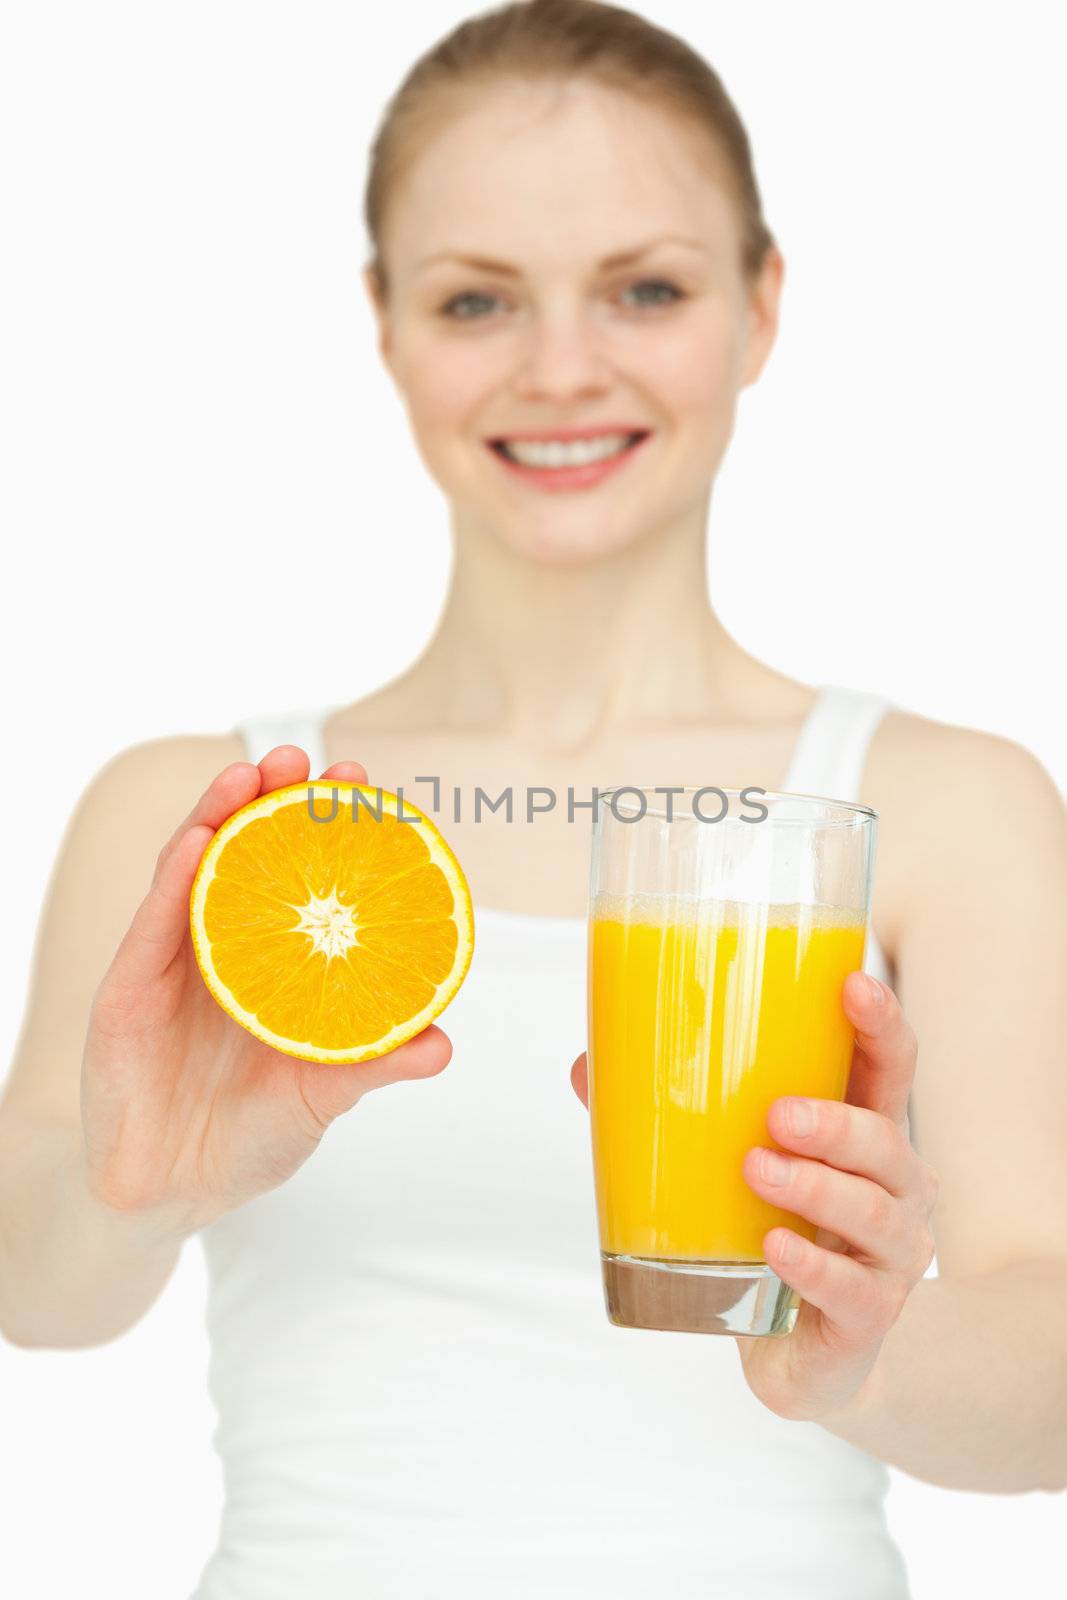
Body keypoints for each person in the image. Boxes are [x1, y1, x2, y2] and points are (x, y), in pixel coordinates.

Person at [2, 1, 1065, 1596]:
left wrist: (866, 1349)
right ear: (384, 323)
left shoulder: (939, 811)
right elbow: (41, 1292)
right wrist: (138, 1188)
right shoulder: (210, 827)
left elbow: (1050, 1385)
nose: (562, 368)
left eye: (645, 287)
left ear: (763, 306)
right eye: (478, 298)